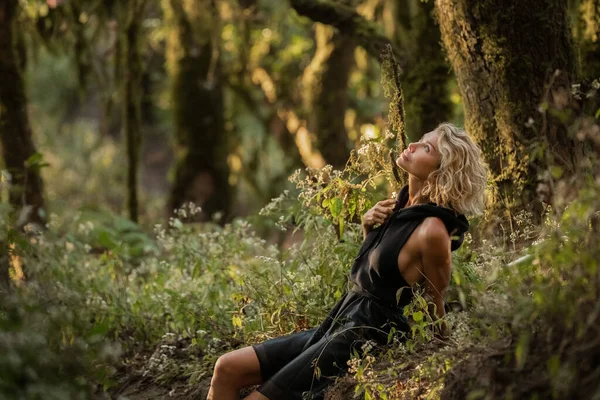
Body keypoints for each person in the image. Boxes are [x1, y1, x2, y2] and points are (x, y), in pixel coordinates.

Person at [207, 123, 488, 400]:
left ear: (442, 172)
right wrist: (369, 229)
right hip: (339, 319)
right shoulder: (397, 206)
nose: (412, 146)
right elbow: (375, 269)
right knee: (227, 367)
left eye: (427, 148)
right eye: (421, 140)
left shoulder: (433, 230)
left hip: (363, 335)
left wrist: (443, 360)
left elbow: (434, 300)